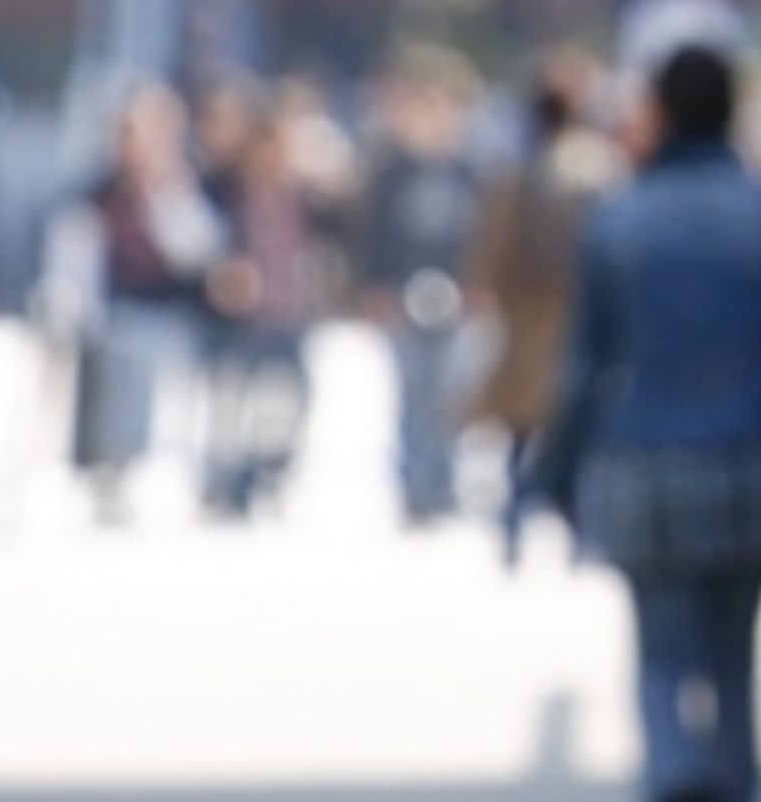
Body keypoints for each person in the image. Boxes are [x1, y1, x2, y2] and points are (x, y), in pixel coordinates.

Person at [545, 44, 761, 802]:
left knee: (661, 656)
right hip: (747, 467)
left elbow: (587, 366)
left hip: (643, 465)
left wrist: (552, 469)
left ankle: (674, 778)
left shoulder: (620, 219)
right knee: (735, 664)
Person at [466, 51, 623, 562]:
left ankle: (524, 526)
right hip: (558, 319)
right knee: (561, 432)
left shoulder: (527, 167)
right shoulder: (593, 167)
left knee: (527, 433)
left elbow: (494, 244)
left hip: (539, 319)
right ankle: (566, 532)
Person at [61, 86, 225, 522]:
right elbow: (76, 253)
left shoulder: (186, 186)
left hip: (173, 311)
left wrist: (166, 195)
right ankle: (114, 470)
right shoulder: (100, 193)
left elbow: (198, 251)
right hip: (120, 309)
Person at [356, 48, 486, 526]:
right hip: (403, 293)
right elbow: (370, 234)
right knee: (410, 394)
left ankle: (443, 484)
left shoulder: (471, 169)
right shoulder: (392, 171)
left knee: (449, 396)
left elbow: (487, 235)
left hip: (457, 296)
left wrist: (479, 286)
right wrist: (374, 286)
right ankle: (413, 488)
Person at [200, 107, 324, 518]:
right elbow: (198, 244)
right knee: (231, 405)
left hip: (288, 313)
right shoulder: (223, 193)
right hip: (239, 319)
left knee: (286, 403)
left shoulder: (304, 195)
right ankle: (226, 484)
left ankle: (270, 476)